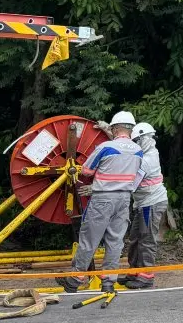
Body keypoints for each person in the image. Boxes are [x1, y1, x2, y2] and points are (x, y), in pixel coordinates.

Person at [58, 110, 144, 294]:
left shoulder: (105, 148)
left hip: (103, 199)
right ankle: (108, 281)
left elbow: (87, 171)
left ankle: (75, 279)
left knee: (90, 239)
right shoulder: (139, 151)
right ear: (131, 129)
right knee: (115, 241)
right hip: (124, 200)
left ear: (114, 128)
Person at [122, 121, 168, 289]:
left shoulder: (147, 159)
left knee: (147, 238)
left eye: (137, 141)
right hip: (142, 203)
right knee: (135, 238)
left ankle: (146, 276)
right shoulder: (144, 153)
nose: (135, 145)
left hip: (151, 203)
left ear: (145, 139)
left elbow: (130, 182)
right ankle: (134, 271)